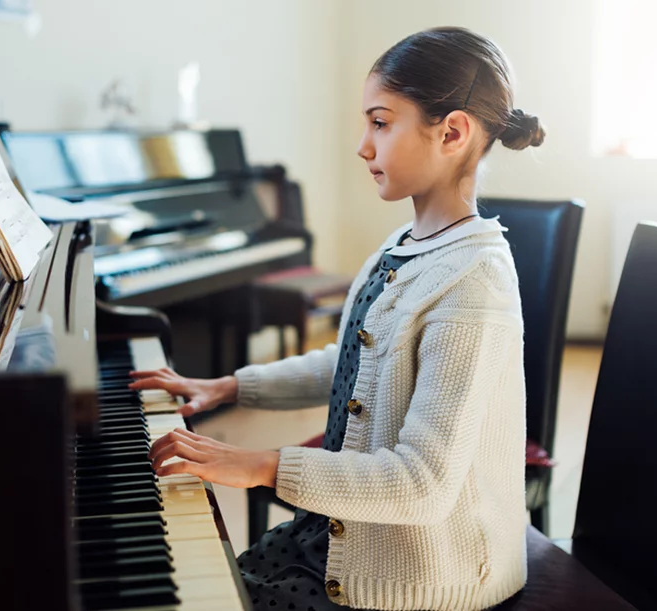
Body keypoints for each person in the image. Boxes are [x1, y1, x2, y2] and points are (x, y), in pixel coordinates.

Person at [130, 26, 545, 611]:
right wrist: (229, 387)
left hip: (420, 575)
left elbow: (421, 483)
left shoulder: (473, 281)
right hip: (342, 533)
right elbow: (351, 363)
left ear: (451, 132)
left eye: (381, 122)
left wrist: (258, 464)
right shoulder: (404, 243)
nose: (362, 144)